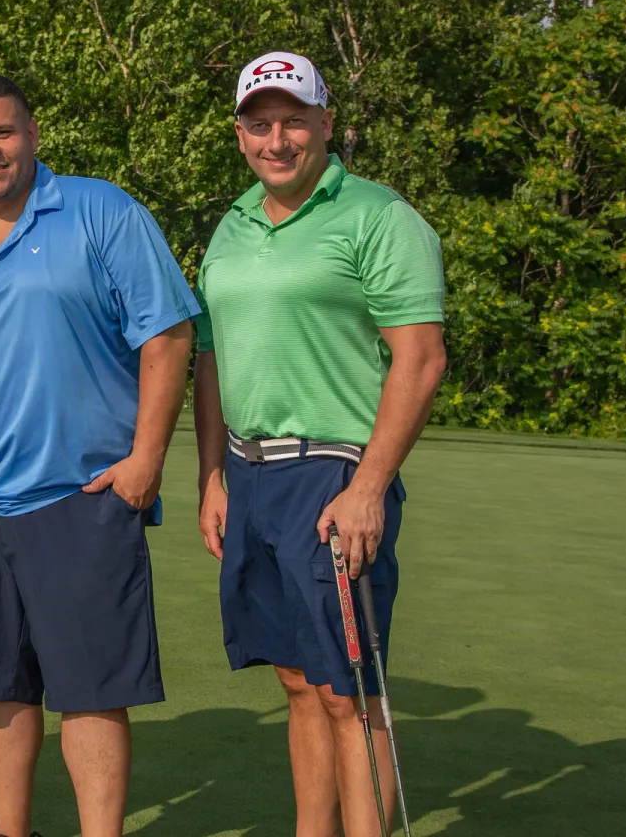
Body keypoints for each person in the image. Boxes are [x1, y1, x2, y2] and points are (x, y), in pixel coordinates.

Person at [0, 74, 198, 837]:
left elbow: (168, 334)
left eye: (2, 132)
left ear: (32, 133)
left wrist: (146, 459)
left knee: (90, 693)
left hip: (82, 497)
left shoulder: (102, 212)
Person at [191, 51, 446, 837]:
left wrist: (368, 487)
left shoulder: (378, 216)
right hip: (249, 472)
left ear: (326, 125)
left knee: (349, 691)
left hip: (333, 472)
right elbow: (211, 358)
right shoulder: (231, 225)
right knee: (299, 684)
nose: (277, 139)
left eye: (294, 121)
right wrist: (211, 476)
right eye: (260, 124)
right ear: (240, 134)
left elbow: (421, 356)